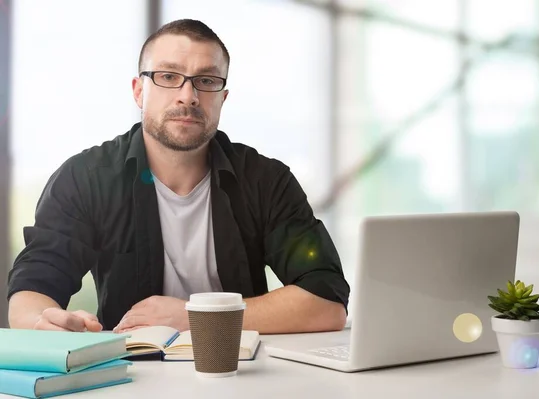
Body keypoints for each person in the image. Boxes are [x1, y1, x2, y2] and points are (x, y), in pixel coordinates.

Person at [7, 19, 350, 334]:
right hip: (130, 375)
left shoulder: (266, 181)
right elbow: (32, 288)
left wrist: (196, 316)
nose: (189, 96)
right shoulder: (86, 179)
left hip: (242, 373)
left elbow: (327, 301)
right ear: (139, 90)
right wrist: (43, 323)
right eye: (168, 77)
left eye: (206, 80)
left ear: (222, 97)